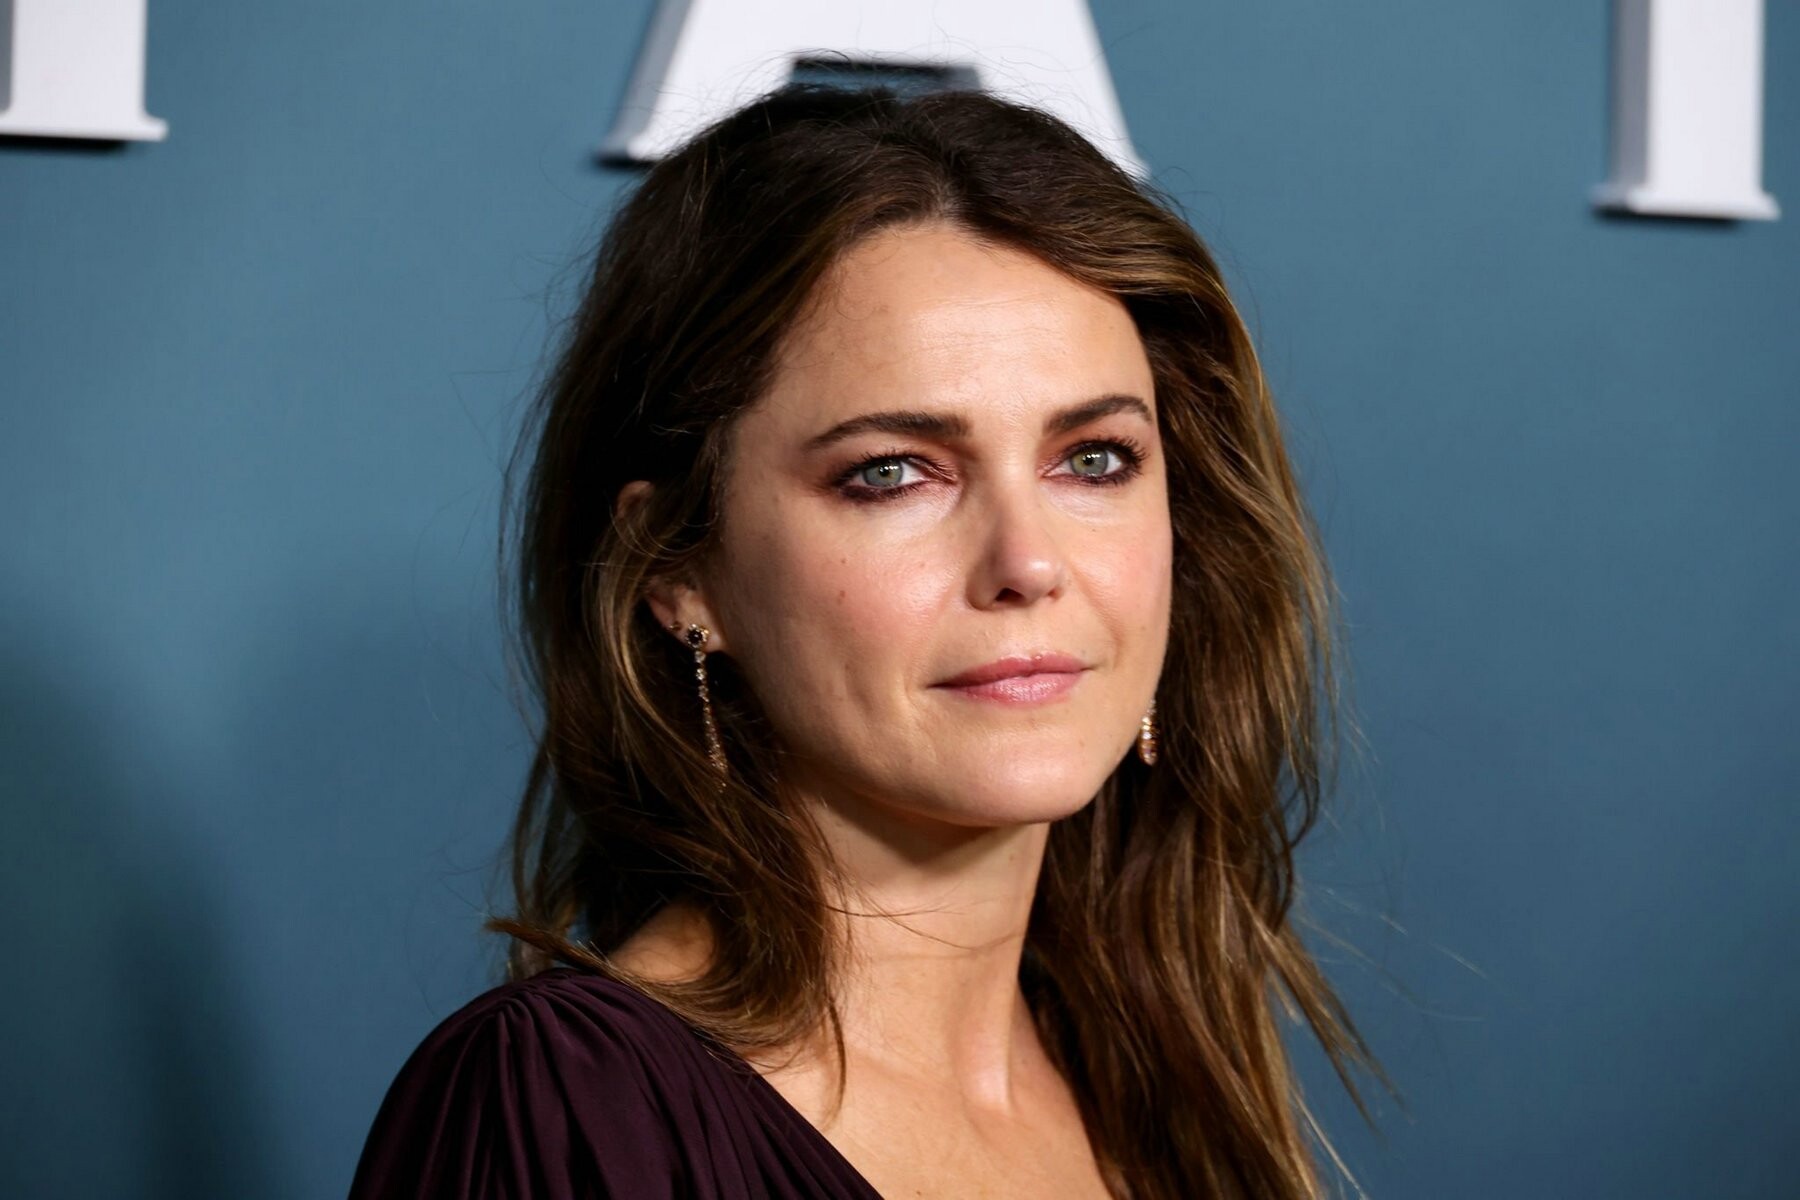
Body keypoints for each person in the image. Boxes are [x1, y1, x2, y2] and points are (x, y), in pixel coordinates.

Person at [348, 83, 1382, 1200]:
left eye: (1094, 460)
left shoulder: (1172, 1094)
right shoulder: (565, 1109)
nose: (1029, 563)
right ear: (675, 570)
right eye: (892, 473)